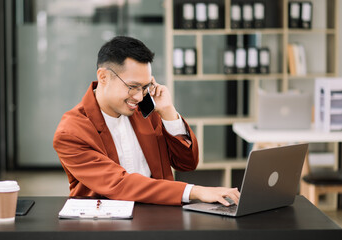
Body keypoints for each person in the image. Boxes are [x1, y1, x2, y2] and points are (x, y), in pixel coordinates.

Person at [53, 36, 240, 206]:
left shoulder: (146, 109)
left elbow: (187, 163)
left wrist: (168, 112)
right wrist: (196, 191)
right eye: (132, 87)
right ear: (103, 77)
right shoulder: (71, 132)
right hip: (106, 222)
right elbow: (120, 184)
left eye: (145, 87)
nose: (139, 96)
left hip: (159, 214)